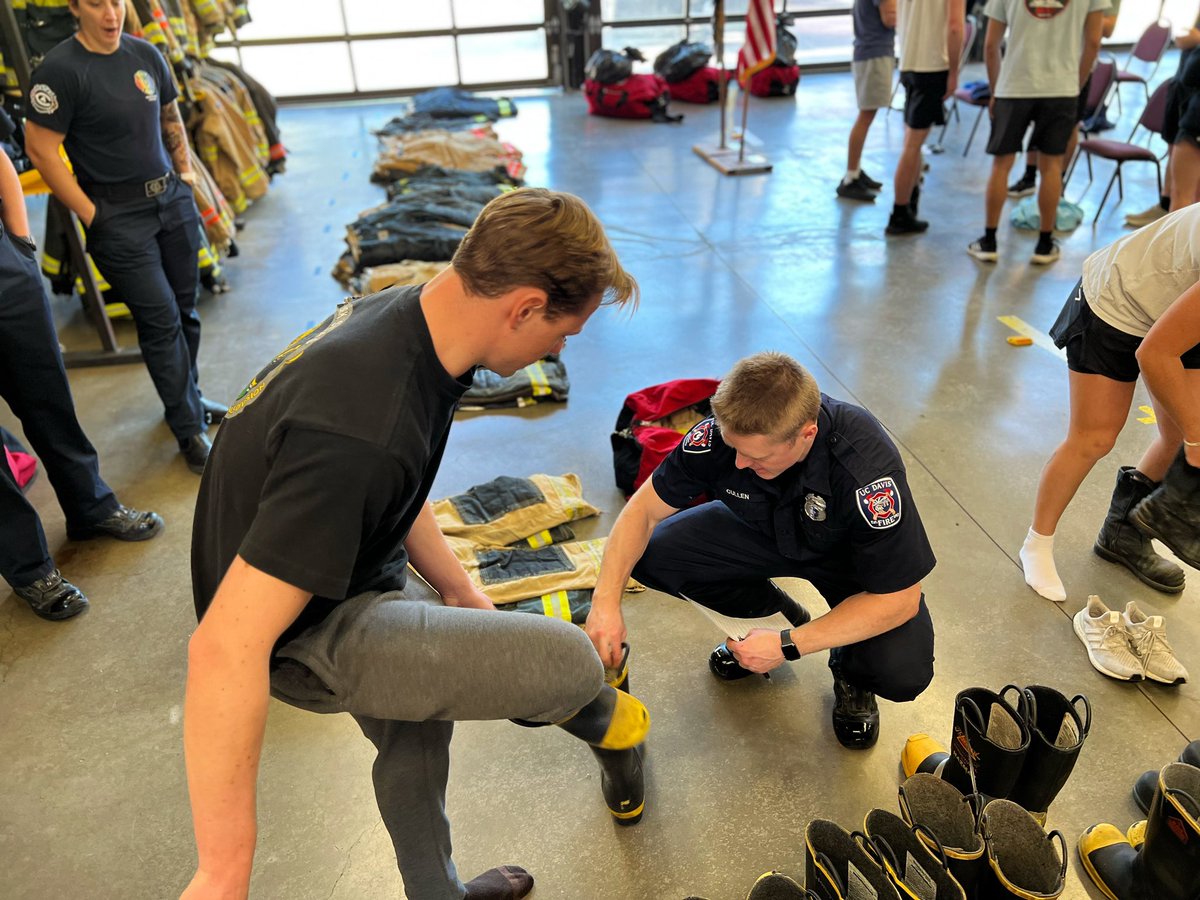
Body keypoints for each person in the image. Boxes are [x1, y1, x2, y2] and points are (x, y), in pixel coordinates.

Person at [183, 189, 645, 900]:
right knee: (568, 659)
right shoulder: (360, 425)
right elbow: (223, 647)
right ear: (521, 306)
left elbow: (393, 484)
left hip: (347, 566)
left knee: (416, 728)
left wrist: (462, 591)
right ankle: (613, 725)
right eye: (561, 335)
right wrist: (222, 874)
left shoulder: (409, 319)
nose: (557, 350)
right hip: (301, 629)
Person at [585, 352, 936, 750]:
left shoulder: (865, 472)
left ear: (806, 433)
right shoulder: (722, 437)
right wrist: (606, 601)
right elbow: (643, 511)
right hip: (762, 529)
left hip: (850, 565)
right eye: (735, 448)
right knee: (653, 554)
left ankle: (850, 671)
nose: (738, 461)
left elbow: (901, 599)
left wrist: (790, 645)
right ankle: (768, 621)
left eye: (756, 456)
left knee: (901, 670)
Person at [23, 0, 224, 475]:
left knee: (186, 308)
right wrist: (93, 215)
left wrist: (185, 176)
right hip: (117, 214)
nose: (111, 13)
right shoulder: (59, 71)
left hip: (170, 202)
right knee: (159, 319)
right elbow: (40, 149)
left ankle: (189, 397)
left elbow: (170, 116)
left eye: (117, 1)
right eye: (97, 3)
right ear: (75, 7)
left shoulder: (146, 54)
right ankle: (187, 427)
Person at [0, 150, 163, 620]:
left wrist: (20, 243)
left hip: (6, 269)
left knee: (47, 398)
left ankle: (90, 506)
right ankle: (29, 568)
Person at [1020, 203, 1200, 604]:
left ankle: (1122, 534)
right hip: (1116, 302)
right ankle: (1037, 543)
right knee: (1094, 437)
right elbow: (1155, 355)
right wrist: (1197, 438)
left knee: (1177, 436)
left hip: (1176, 304)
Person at [967, 0, 1108, 266]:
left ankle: (989, 241)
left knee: (1001, 166)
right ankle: (1044, 244)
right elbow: (1093, 43)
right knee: (1051, 167)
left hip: (1013, 87)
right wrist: (1073, 85)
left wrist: (996, 88)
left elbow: (990, 45)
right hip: (1061, 89)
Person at [1007, 0, 1121, 199]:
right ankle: (1029, 176)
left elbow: (1108, 28)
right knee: (1036, 121)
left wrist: (1073, 17)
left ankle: (1058, 183)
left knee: (1069, 127)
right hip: (1039, 62)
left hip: (1075, 68)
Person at [885, 0, 965, 235]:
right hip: (931, 65)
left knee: (912, 141)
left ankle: (908, 202)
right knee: (912, 145)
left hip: (910, 62)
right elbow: (955, 26)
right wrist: (953, 72)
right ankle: (899, 213)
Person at [836, 0, 898, 202]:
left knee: (866, 115)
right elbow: (890, 18)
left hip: (869, 52)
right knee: (866, 115)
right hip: (875, 55)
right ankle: (851, 176)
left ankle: (855, 170)